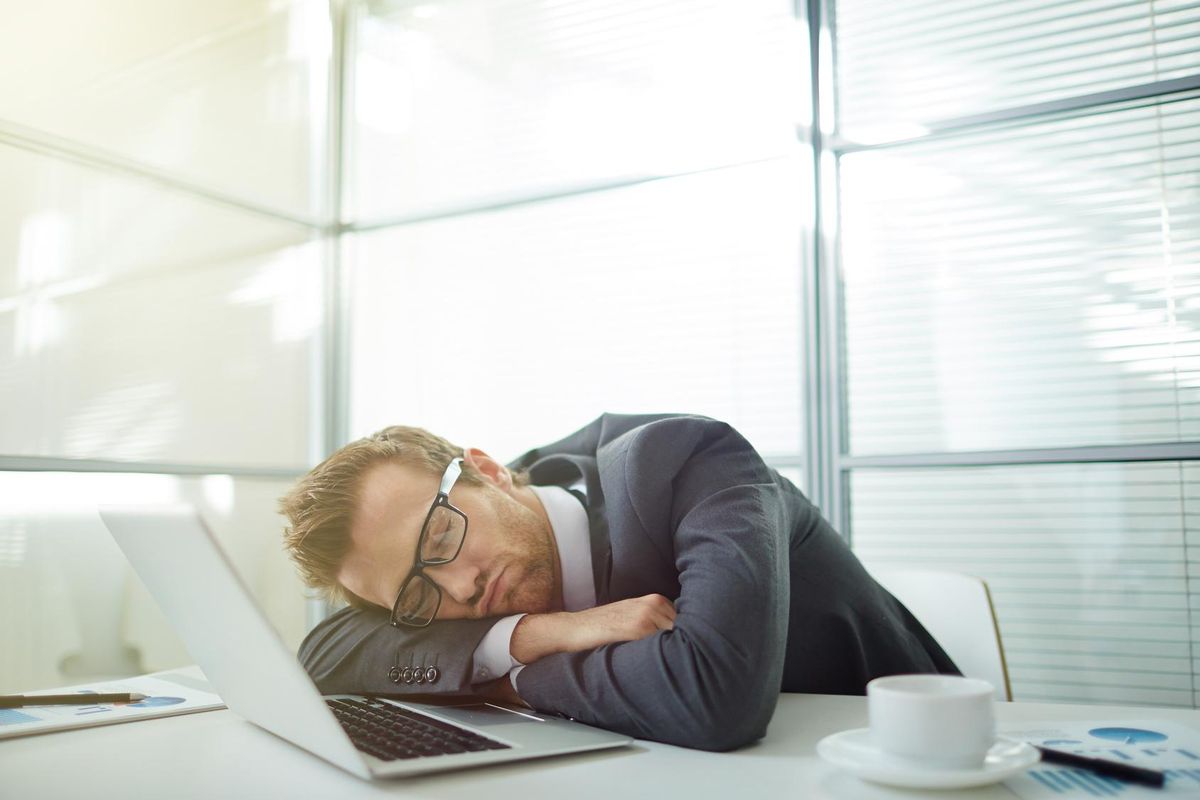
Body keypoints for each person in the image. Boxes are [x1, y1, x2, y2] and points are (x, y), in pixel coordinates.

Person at [280, 413, 957, 751]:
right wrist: (537, 635)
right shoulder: (462, 548)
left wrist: (504, 680)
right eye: (416, 595)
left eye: (439, 539)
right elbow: (322, 654)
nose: (458, 589)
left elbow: (712, 697)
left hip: (904, 759)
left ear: (486, 470)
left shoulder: (683, 461)